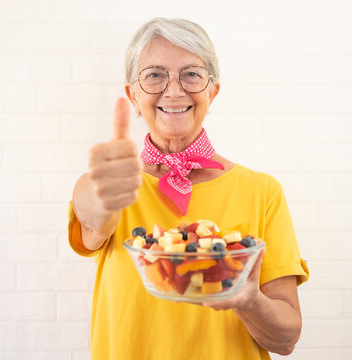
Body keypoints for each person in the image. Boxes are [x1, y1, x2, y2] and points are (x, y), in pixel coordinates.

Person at [68, 17, 309, 360]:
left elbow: (286, 339)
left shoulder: (262, 191)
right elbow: (93, 215)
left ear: (213, 90)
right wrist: (103, 190)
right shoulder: (116, 186)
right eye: (154, 75)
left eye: (191, 74)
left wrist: (248, 300)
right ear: (132, 96)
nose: (174, 90)